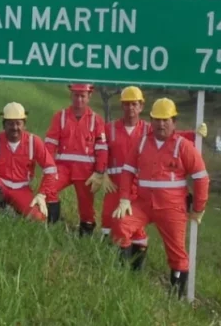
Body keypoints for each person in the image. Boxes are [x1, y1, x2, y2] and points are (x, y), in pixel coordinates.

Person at [111, 97, 210, 298]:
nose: (161, 124)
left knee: (177, 253)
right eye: (157, 119)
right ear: (151, 120)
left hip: (172, 209)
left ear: (174, 121)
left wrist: (198, 208)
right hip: (143, 204)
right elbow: (128, 170)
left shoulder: (183, 146)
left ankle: (176, 297)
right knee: (121, 224)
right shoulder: (142, 143)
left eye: (165, 120)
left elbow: (201, 178)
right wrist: (124, 198)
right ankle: (123, 277)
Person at [0, 102, 58, 221]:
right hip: (0, 185)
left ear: (24, 125)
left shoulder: (34, 142)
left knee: (38, 217)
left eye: (18, 123)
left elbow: (50, 169)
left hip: (21, 189)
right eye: (10, 123)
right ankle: (0, 214)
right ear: (4, 125)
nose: (15, 127)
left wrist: (42, 194)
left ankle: (18, 211)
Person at [43, 83, 111, 235]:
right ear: (71, 95)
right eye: (76, 95)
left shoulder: (96, 120)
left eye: (82, 96)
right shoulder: (60, 117)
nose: (79, 99)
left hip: (86, 172)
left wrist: (99, 171)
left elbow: (102, 147)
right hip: (62, 167)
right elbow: (50, 143)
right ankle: (52, 224)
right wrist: (48, 166)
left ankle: (86, 233)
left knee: (86, 206)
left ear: (89, 96)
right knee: (48, 188)